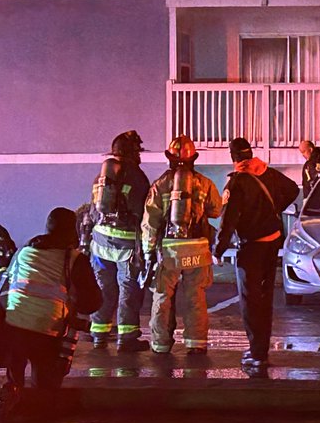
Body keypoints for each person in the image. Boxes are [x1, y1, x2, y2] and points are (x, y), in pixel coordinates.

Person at [0, 207, 101, 418]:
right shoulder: (73, 259)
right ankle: (39, 414)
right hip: (46, 331)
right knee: (45, 380)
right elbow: (92, 303)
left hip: (13, 325)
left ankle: (11, 403)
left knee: (15, 372)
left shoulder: (24, 251)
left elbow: (9, 280)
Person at [213, 136, 300, 370]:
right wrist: (272, 211)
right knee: (265, 298)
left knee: (251, 302)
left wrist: (218, 250)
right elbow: (292, 189)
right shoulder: (268, 173)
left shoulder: (237, 182)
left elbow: (228, 220)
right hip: (272, 244)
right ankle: (261, 349)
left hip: (251, 246)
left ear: (233, 158)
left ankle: (256, 353)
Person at [140, 135, 223, 356]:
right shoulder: (204, 183)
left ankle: (161, 344)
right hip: (197, 248)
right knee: (195, 296)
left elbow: (150, 222)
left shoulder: (160, 185)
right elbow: (216, 210)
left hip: (168, 251)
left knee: (162, 296)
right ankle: (196, 343)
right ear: (193, 159)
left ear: (169, 158)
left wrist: (148, 251)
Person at [85, 130, 151, 352]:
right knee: (128, 290)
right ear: (133, 152)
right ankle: (126, 338)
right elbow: (144, 214)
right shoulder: (137, 177)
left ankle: (98, 335)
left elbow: (93, 210)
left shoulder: (101, 177)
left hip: (101, 242)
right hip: (126, 245)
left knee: (103, 287)